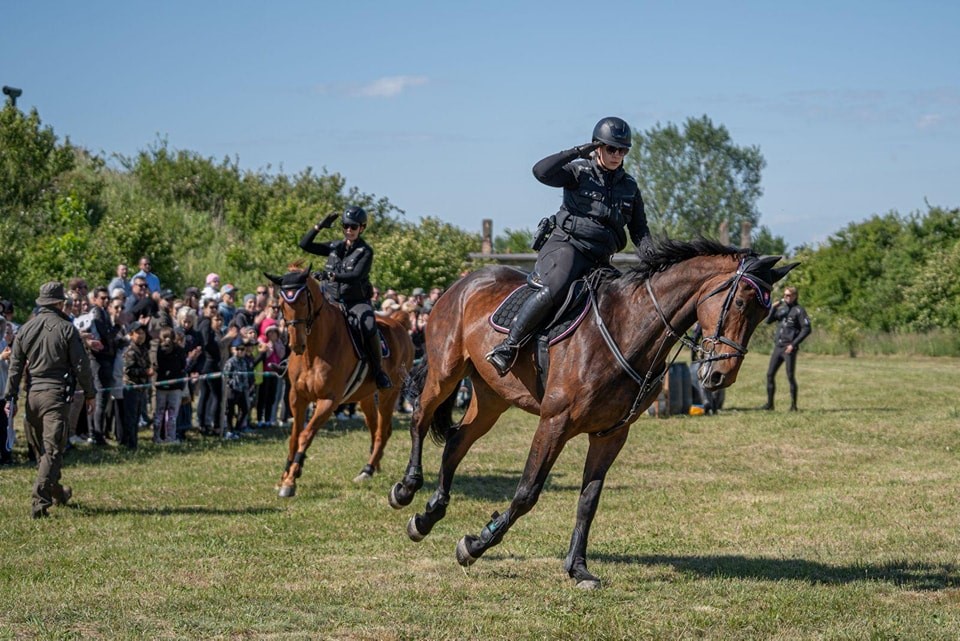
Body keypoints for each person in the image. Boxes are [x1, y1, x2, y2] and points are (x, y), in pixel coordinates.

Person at [486, 116, 653, 375]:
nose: (617, 155)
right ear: (597, 147)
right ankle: (509, 346)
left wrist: (654, 262)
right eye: (611, 148)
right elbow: (541, 171)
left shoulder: (629, 186)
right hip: (567, 247)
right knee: (557, 286)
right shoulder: (578, 172)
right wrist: (576, 152)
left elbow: (640, 232)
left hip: (601, 259)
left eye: (622, 150)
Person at [3, 282, 96, 519]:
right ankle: (39, 502)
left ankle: (58, 492)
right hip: (55, 396)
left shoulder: (25, 329)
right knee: (52, 451)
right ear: (58, 303)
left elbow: (15, 367)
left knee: (44, 453)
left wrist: (10, 397)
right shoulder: (67, 328)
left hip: (32, 396)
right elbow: (81, 365)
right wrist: (90, 393)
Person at [298, 205, 392, 389]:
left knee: (369, 325)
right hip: (330, 300)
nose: (349, 230)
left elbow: (356, 275)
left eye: (353, 227)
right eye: (346, 226)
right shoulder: (335, 246)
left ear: (362, 228)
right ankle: (293, 364)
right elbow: (304, 244)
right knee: (303, 319)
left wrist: (331, 276)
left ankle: (378, 371)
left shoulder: (366, 251)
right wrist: (319, 226)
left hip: (355, 301)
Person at [763, 286, 812, 411]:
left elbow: (807, 329)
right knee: (770, 375)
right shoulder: (783, 310)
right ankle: (770, 404)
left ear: (795, 296)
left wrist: (793, 344)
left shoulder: (799, 310)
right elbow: (768, 321)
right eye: (785, 295)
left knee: (790, 376)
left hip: (789, 348)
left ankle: (793, 406)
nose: (786, 298)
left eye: (789, 295)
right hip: (778, 347)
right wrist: (773, 308)